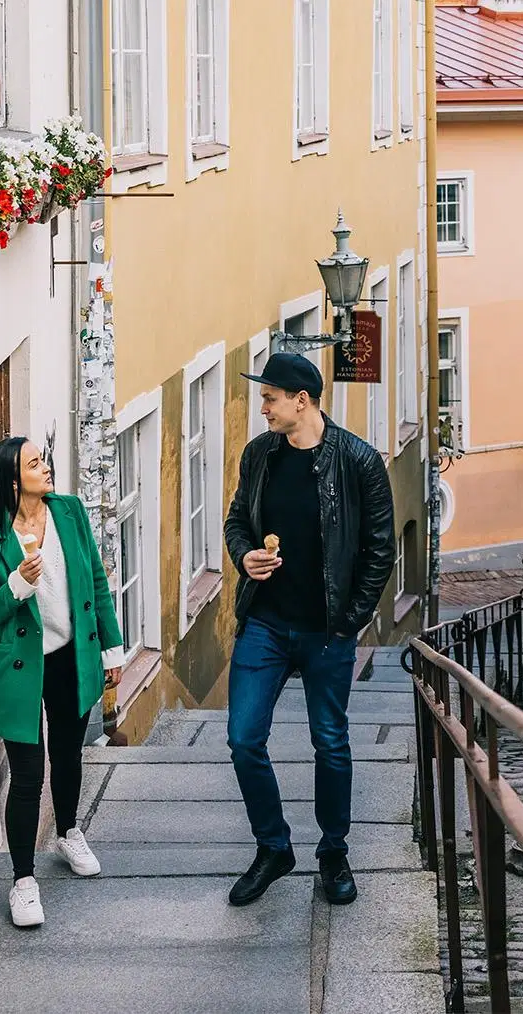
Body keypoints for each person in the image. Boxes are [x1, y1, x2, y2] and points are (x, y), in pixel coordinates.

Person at [224, 353, 397, 908]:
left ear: (302, 400)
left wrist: (349, 623)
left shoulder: (359, 462)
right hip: (266, 624)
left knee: (331, 742)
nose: (263, 406)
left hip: (327, 631)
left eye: (270, 397)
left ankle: (333, 852)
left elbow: (379, 549)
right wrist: (245, 555)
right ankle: (273, 847)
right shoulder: (261, 455)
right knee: (243, 737)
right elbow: (236, 521)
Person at [0, 435, 124, 929]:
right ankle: (22, 881)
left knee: (69, 753)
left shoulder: (69, 512)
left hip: (69, 657)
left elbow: (95, 580)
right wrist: (17, 584)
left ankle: (69, 832)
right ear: (13, 482)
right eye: (36, 463)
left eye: (44, 459)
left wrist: (110, 647)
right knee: (28, 773)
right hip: (18, 665)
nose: (46, 468)